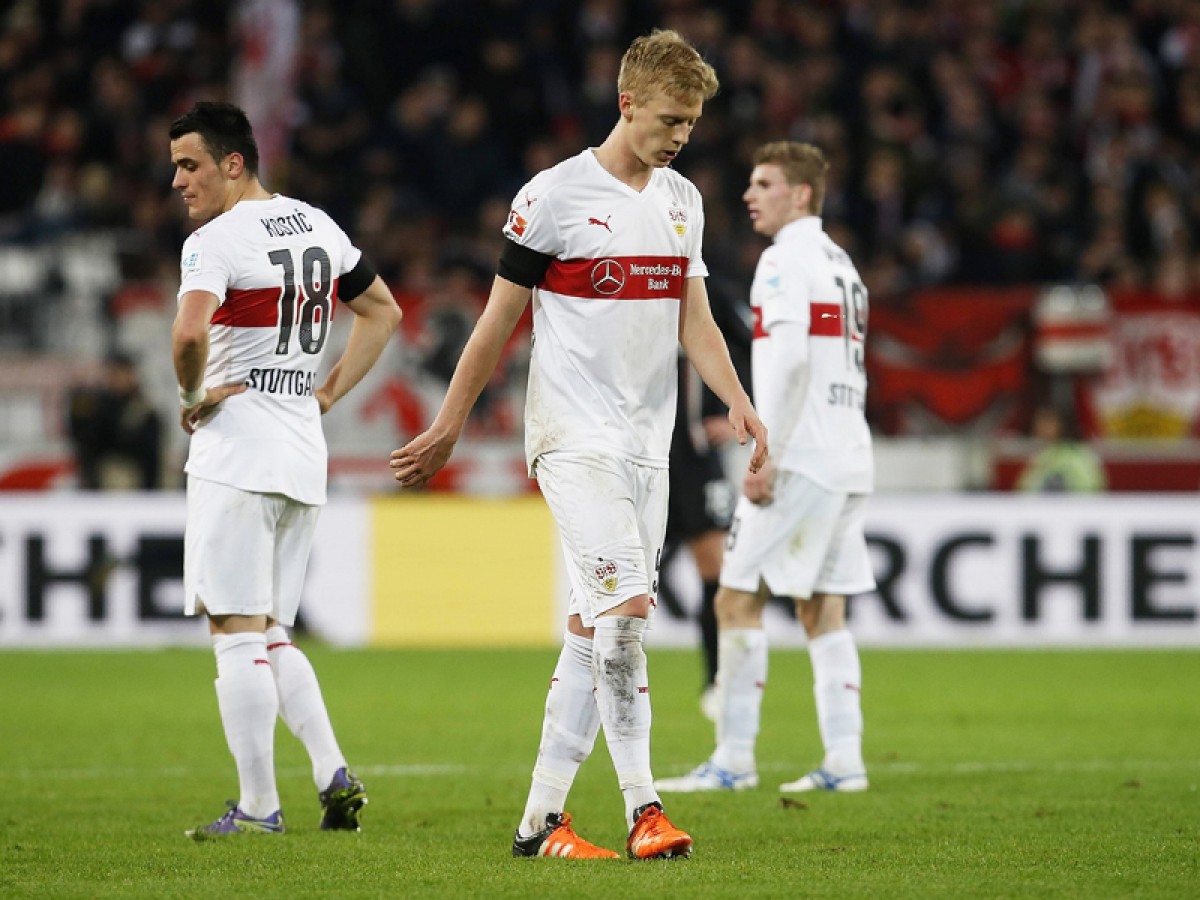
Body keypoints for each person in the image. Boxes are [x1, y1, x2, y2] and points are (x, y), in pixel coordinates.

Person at [390, 30, 767, 859]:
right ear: (627, 103)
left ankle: (539, 823)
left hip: (648, 446)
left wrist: (737, 399)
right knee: (627, 614)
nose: (680, 135)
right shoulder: (554, 197)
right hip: (572, 436)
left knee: (591, 628)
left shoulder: (682, 201)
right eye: (669, 119)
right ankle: (645, 810)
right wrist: (449, 424)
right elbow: (497, 322)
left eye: (692, 123)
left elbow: (695, 321)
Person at [168, 101, 401, 837]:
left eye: (190, 165)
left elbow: (188, 334)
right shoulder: (317, 225)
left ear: (233, 163)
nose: (178, 181)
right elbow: (384, 311)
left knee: (235, 631)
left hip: (238, 452)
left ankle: (258, 807)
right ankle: (332, 772)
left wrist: (191, 398)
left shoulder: (214, 242)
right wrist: (324, 394)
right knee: (271, 631)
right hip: (301, 453)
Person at [656, 141, 874, 796]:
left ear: (800, 193)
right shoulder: (841, 264)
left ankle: (733, 759)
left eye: (764, 184)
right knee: (822, 609)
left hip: (802, 458)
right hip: (849, 454)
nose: (749, 195)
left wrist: (766, 451)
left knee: (735, 599)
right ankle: (845, 760)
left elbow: (790, 362)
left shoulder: (782, 262)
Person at [67, 350, 163, 490]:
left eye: (123, 372)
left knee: (118, 475)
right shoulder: (97, 406)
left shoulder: (142, 411)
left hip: (132, 480)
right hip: (97, 478)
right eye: (114, 372)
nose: (118, 378)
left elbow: (150, 456)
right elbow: (84, 441)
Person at [1016, 403, 1107, 493]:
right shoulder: (1041, 456)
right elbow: (1024, 492)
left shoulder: (1077, 455)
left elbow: (1090, 491)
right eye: (1038, 421)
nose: (1040, 426)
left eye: (1048, 420)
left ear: (1063, 424)